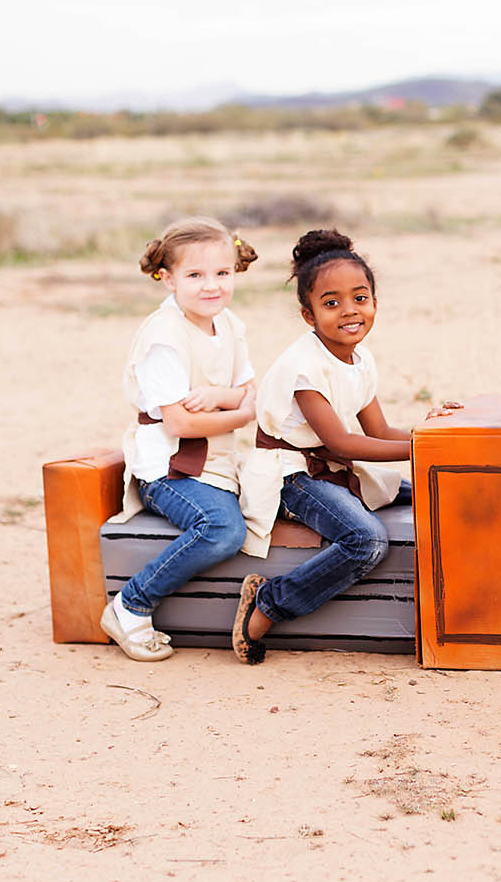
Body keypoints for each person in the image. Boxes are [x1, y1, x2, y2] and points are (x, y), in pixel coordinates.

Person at [230, 229, 458, 664]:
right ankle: (268, 604)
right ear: (308, 314)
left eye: (360, 298)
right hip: (290, 475)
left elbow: (379, 430)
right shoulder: (304, 367)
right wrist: (421, 450)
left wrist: (432, 434)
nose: (349, 311)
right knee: (365, 539)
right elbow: (343, 442)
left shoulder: (359, 357)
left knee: (434, 488)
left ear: (374, 302)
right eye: (331, 303)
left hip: (330, 467)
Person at [102, 217, 260, 661]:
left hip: (221, 459)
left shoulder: (229, 324)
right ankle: (131, 604)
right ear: (167, 279)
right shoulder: (164, 336)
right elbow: (181, 425)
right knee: (222, 529)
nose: (212, 286)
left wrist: (222, 398)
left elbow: (250, 390)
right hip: (170, 468)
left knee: (285, 486)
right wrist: (243, 412)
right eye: (195, 275)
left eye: (222, 274)